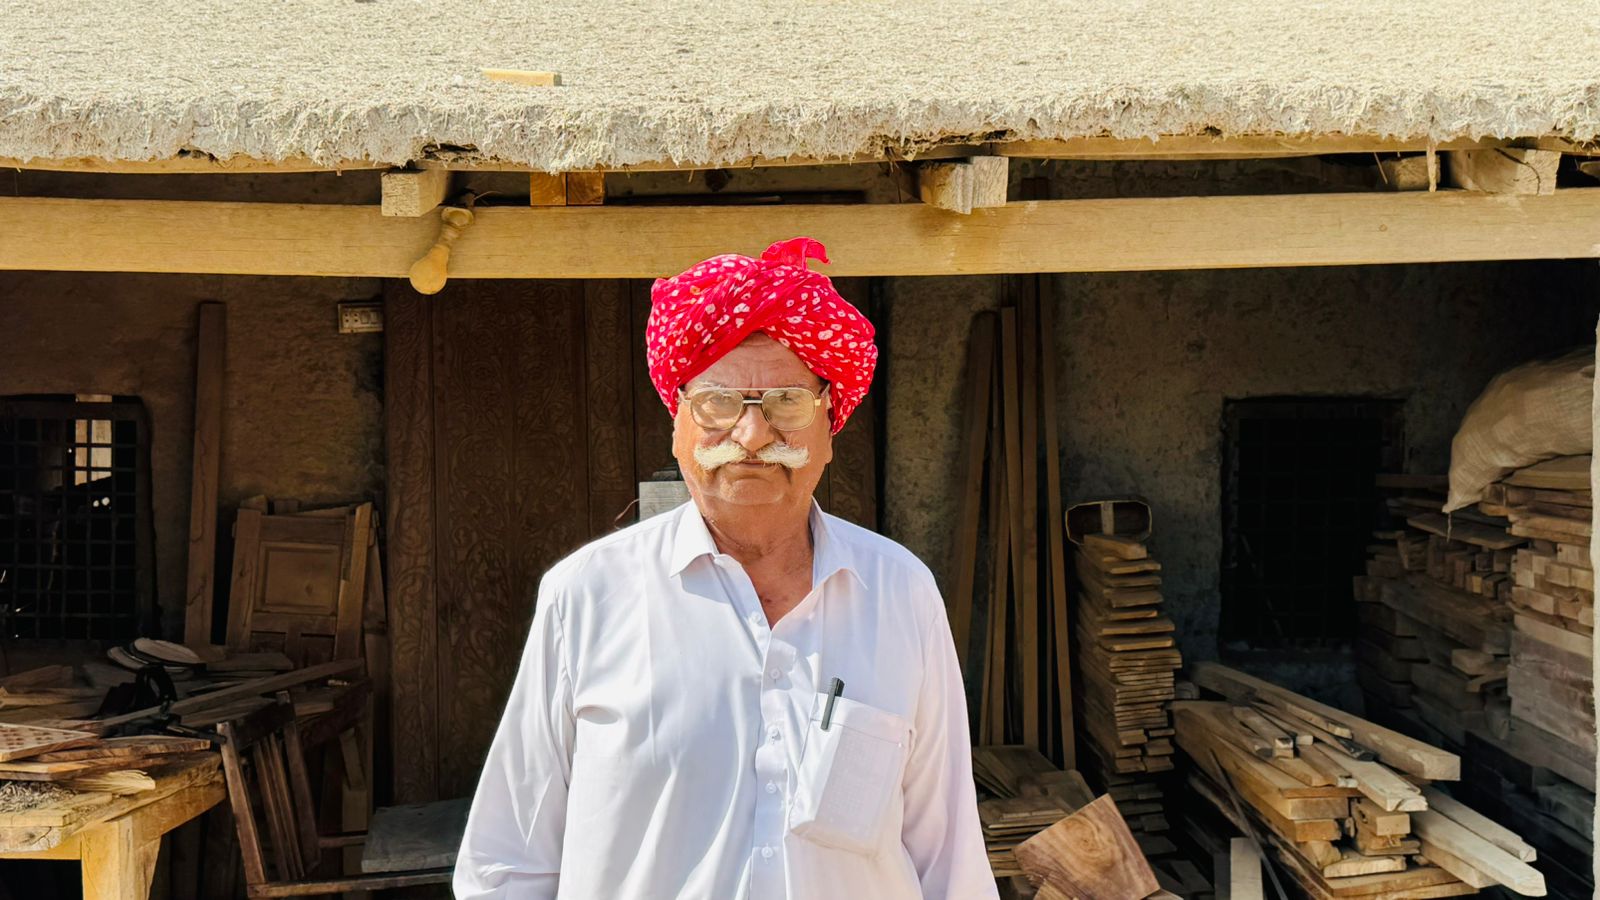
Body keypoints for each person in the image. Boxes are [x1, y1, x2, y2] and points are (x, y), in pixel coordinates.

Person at [454, 237, 996, 900]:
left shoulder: (900, 592)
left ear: (831, 424)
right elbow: (506, 866)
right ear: (676, 424)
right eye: (716, 403)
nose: (751, 437)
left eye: (787, 403)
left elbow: (948, 861)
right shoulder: (587, 595)